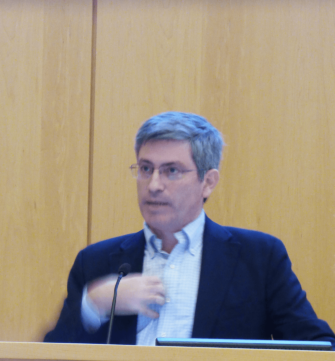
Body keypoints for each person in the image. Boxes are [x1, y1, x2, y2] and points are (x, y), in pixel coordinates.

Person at [44, 112, 335, 346]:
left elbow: (319, 350)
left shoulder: (259, 258)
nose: (154, 184)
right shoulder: (96, 261)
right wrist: (94, 304)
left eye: (172, 171)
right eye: (146, 169)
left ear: (208, 181)